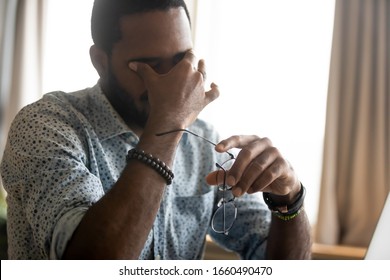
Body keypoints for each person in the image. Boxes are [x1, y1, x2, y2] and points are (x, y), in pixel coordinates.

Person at [0, 0, 312, 260]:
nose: (170, 82)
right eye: (147, 66)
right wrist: (169, 124)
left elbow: (274, 261)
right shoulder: (45, 126)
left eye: (180, 61)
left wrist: (289, 199)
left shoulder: (202, 143)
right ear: (100, 61)